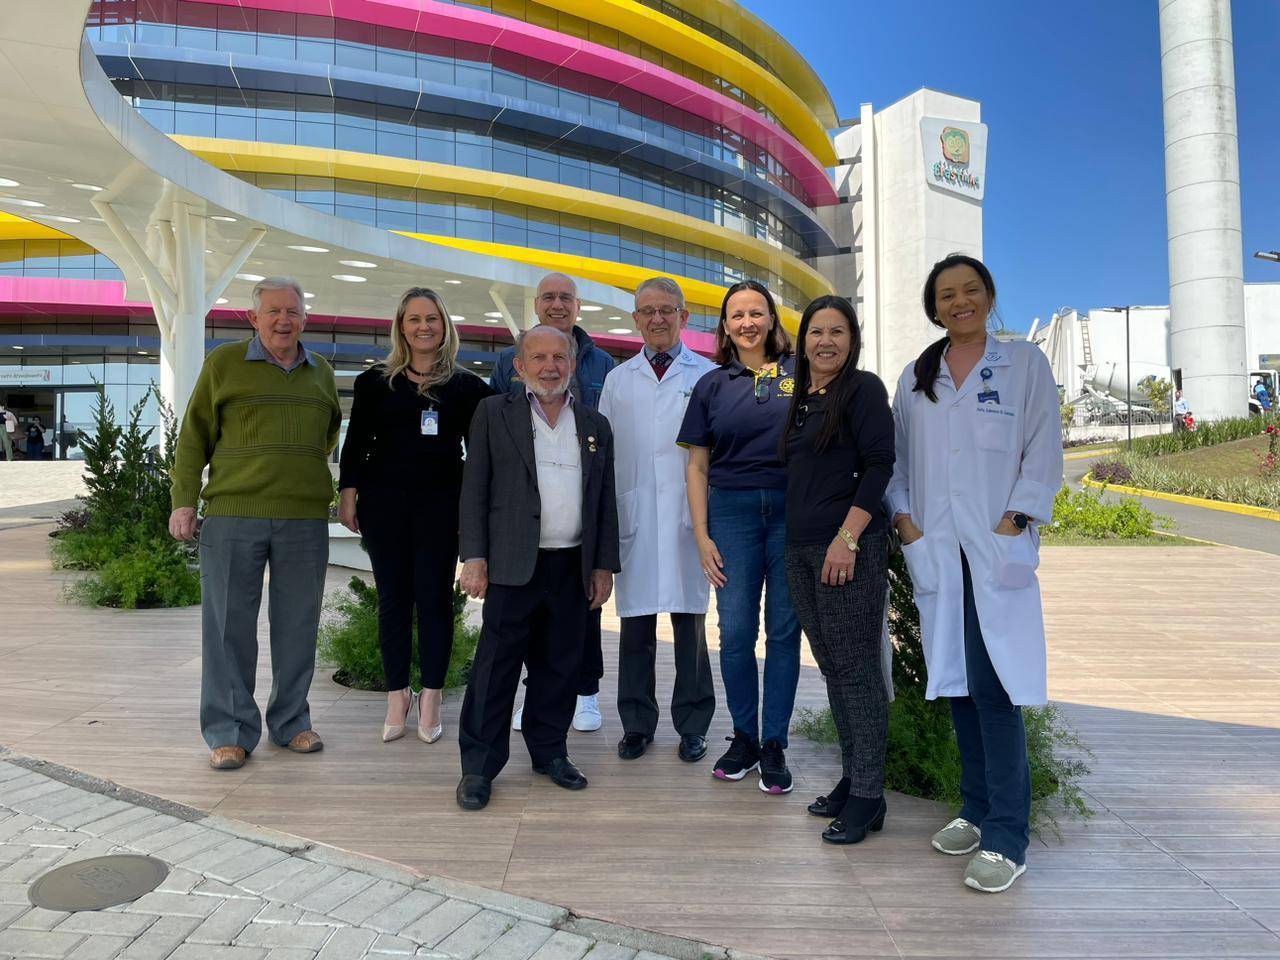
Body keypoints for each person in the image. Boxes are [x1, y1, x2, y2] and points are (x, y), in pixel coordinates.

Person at [885, 254, 1062, 893]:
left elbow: (1043, 451)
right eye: (947, 295)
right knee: (957, 685)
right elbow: (896, 461)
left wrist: (1014, 523)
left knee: (996, 688)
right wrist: (906, 524)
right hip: (938, 550)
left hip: (994, 551)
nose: (959, 303)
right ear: (933, 307)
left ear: (988, 296)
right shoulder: (915, 377)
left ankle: (1008, 834)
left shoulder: (1024, 366)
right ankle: (976, 807)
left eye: (970, 291)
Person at [169, 276, 341, 771]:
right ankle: (230, 731)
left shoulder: (321, 373)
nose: (284, 320)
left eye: (293, 311)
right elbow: (192, 438)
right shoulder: (224, 364)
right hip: (231, 516)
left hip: (304, 520)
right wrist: (183, 502)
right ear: (254, 318)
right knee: (227, 628)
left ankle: (291, 723)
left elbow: (326, 437)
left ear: (304, 318)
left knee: (298, 626)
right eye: (273, 312)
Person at [455, 325, 619, 810]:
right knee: (494, 670)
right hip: (511, 565)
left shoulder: (593, 424)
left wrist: (603, 566)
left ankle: (549, 752)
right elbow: (475, 489)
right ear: (519, 366)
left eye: (560, 357)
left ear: (572, 363)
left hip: (572, 566)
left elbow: (604, 500)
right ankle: (478, 768)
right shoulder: (492, 413)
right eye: (539, 357)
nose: (550, 366)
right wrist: (474, 558)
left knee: (560, 668)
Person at [338, 287, 494, 745]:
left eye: (432, 319)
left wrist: (475, 511)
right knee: (393, 601)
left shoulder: (467, 388)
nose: (423, 327)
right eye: (414, 319)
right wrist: (348, 494)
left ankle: (430, 695)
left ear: (445, 326)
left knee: (433, 602)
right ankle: (396, 694)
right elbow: (356, 444)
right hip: (383, 505)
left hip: (441, 507)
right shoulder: (374, 383)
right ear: (401, 327)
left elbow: (482, 455)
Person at [677, 279, 802, 794]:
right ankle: (744, 736)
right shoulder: (712, 384)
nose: (747, 322)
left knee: (784, 632)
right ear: (725, 326)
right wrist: (702, 535)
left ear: (772, 319)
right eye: (737, 315)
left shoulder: (802, 374)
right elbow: (696, 467)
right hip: (731, 514)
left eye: (756, 312)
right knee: (734, 632)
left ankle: (774, 743)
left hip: (794, 513)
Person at [779, 295, 894, 844]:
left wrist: (847, 539)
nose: (825, 341)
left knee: (857, 671)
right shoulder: (803, 398)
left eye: (838, 331)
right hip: (801, 550)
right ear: (803, 341)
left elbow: (879, 466)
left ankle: (870, 796)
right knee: (834, 669)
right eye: (816, 331)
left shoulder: (863, 389)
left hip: (847, 550)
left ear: (852, 340)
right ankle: (854, 778)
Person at [598, 277, 717, 763]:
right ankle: (637, 723)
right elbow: (603, 457)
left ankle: (692, 725)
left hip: (691, 522)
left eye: (667, 309)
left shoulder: (707, 376)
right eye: (647, 310)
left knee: (690, 626)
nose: (657, 319)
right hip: (637, 516)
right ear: (635, 320)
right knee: (636, 624)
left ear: (684, 317)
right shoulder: (617, 380)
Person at [491, 273, 614, 733]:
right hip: (525, 516)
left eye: (566, 297)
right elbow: (495, 432)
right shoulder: (507, 360)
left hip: (579, 506)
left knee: (586, 606)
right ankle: (538, 694)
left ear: (577, 306)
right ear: (537, 304)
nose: (557, 304)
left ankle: (586, 692)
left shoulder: (602, 364)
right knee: (527, 619)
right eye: (549, 297)